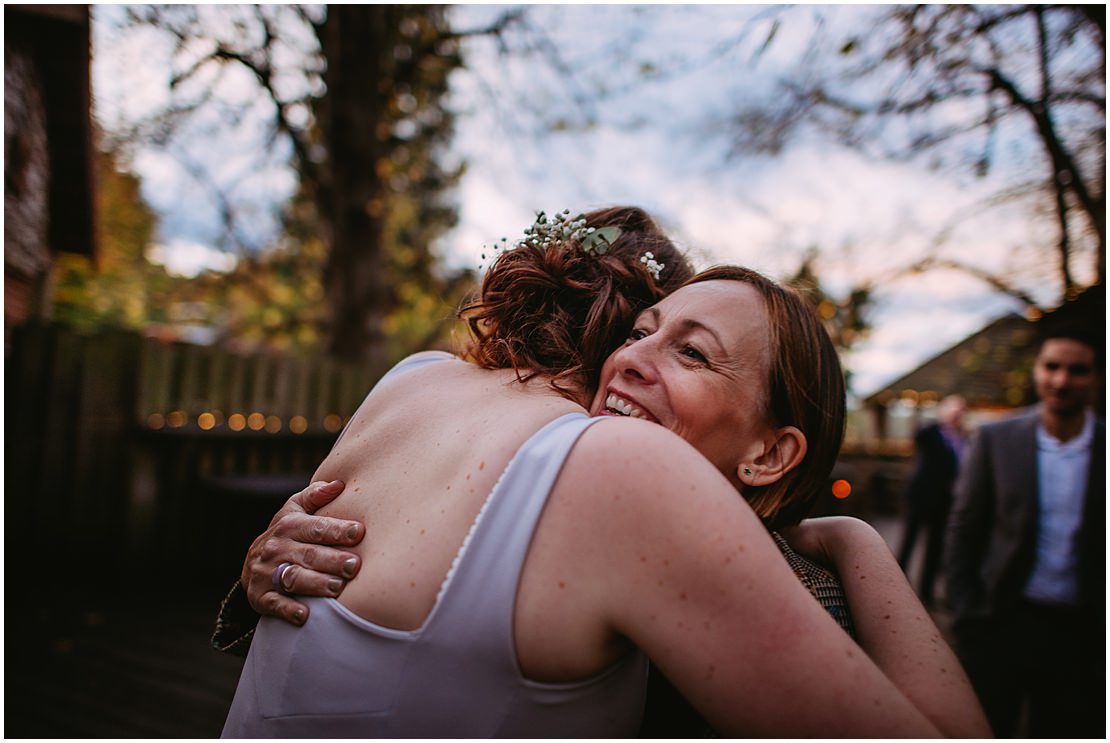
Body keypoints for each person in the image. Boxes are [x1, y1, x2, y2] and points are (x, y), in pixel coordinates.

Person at [221, 209, 987, 736]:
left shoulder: (412, 380)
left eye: (691, 351)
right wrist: (858, 541)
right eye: (641, 331)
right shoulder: (622, 470)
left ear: (772, 453)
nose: (631, 359)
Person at [944, 326, 1104, 738]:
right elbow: (964, 527)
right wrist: (968, 612)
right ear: (1036, 371)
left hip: (1083, 633)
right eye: (1051, 367)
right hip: (1002, 619)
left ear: (1096, 376)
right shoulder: (998, 438)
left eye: (1078, 370)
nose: (1062, 380)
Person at [897, 394, 967, 607]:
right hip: (922, 495)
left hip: (945, 501)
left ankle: (926, 592)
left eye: (960, 412)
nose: (956, 416)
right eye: (953, 411)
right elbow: (918, 438)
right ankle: (897, 582)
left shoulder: (962, 438)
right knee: (910, 540)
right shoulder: (931, 432)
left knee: (935, 546)